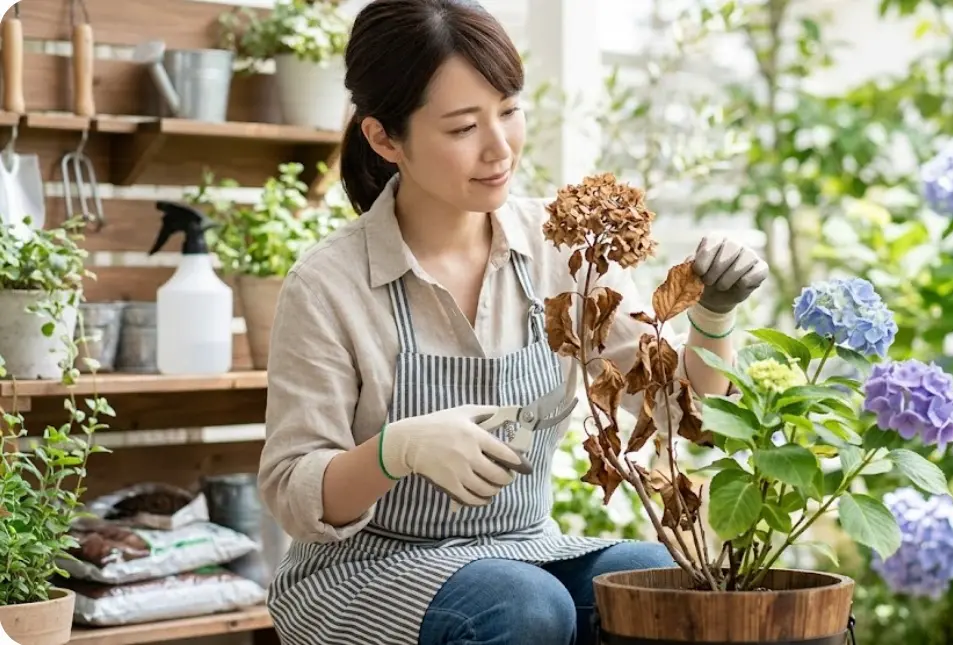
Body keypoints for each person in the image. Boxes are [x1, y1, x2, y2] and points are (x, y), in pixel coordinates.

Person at [257, 1, 769, 644]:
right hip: (364, 567)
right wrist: (396, 450)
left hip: (525, 547)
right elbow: (293, 490)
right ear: (385, 139)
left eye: (509, 110)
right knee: (525, 607)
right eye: (463, 127)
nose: (499, 148)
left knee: (660, 580)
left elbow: (675, 414)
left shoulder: (564, 249)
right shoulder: (329, 284)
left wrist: (713, 315)